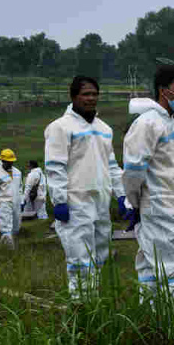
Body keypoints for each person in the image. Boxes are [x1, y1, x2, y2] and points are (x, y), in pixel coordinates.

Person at [123, 65, 174, 323]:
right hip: (157, 205)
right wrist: (132, 204)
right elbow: (133, 170)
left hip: (164, 202)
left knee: (150, 266)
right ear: (163, 91)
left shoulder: (167, 121)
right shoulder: (148, 123)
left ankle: (152, 324)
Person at [44, 75, 128, 298]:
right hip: (75, 203)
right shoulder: (60, 128)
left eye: (94, 94)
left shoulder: (104, 129)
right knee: (80, 259)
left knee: (99, 256)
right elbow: (55, 167)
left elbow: (112, 165)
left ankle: (95, 303)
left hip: (100, 202)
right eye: (85, 94)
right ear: (73, 97)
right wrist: (59, 200)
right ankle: (81, 308)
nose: (91, 98)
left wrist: (121, 195)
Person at [0, 149, 23, 247]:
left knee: (16, 226)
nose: (10, 163)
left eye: (12, 161)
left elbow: (20, 187)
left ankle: (9, 243)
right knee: (6, 227)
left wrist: (22, 201)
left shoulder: (17, 172)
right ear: (2, 161)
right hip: (4, 203)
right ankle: (8, 249)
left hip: (16, 202)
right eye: (8, 162)